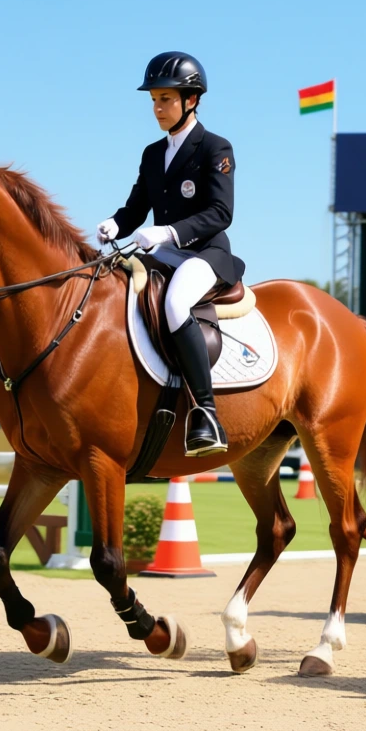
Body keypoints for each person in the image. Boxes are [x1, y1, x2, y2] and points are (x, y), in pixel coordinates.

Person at [96, 51, 244, 457]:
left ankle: (206, 412)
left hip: (205, 256)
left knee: (176, 302)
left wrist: (168, 231)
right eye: (154, 100)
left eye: (166, 99)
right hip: (164, 255)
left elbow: (221, 213)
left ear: (191, 99)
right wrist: (115, 223)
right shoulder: (151, 153)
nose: (158, 108)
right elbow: (134, 209)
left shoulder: (215, 147)